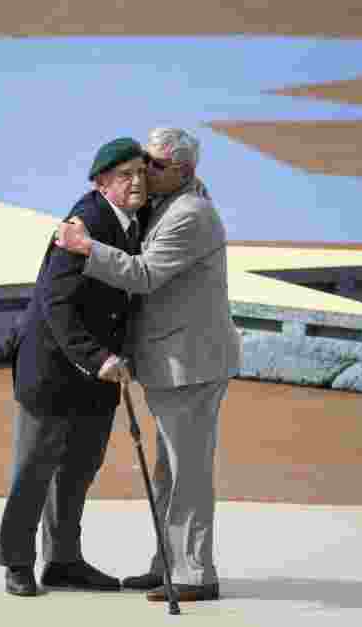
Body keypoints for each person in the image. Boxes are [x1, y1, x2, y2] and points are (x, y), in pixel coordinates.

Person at [54, 127, 240, 602]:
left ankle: (195, 574)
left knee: (188, 474)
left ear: (184, 171)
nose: (143, 170)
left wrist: (86, 248)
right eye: (141, 161)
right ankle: (168, 565)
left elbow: (145, 275)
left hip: (190, 365)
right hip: (173, 362)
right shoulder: (174, 199)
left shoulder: (190, 215)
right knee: (169, 472)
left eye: (154, 164)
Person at [0, 137, 149, 597]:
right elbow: (54, 303)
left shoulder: (133, 219)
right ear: (102, 182)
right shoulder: (85, 222)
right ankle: (17, 561)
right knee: (34, 471)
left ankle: (63, 561)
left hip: (96, 380)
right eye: (126, 175)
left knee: (78, 470)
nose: (138, 181)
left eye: (142, 171)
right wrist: (98, 357)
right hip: (54, 372)